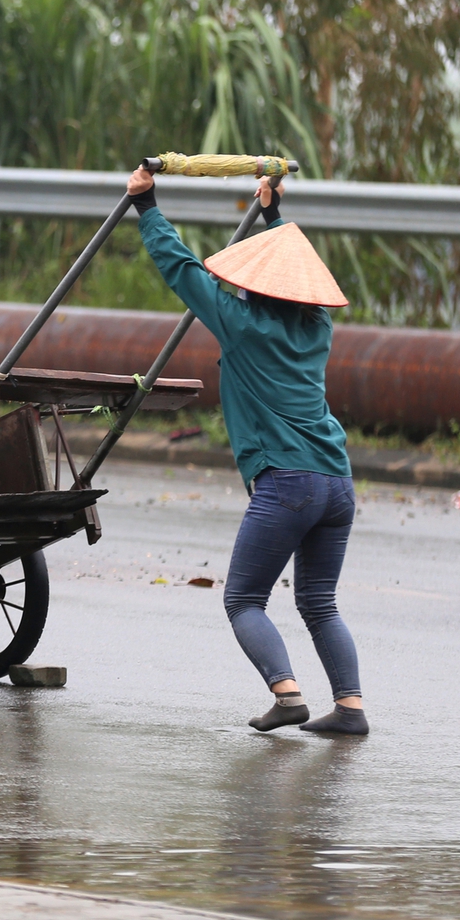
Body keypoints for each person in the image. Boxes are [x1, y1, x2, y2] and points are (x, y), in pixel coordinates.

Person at [125, 164, 370, 736]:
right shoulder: (318, 330)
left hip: (287, 483)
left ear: (258, 286)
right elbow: (292, 276)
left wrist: (147, 205)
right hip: (337, 482)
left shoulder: (241, 323)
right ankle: (351, 709)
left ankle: (288, 695)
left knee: (242, 600)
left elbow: (182, 269)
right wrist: (273, 215)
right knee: (319, 602)